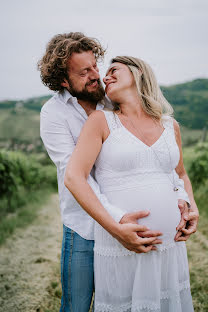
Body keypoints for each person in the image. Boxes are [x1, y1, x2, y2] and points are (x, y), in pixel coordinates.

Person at [38, 33, 198, 311]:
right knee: (76, 305)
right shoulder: (54, 114)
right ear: (64, 80)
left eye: (95, 67)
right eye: (84, 72)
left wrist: (183, 198)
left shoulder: (112, 103)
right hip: (85, 228)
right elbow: (76, 175)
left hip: (146, 235)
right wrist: (116, 223)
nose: (96, 76)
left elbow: (159, 164)